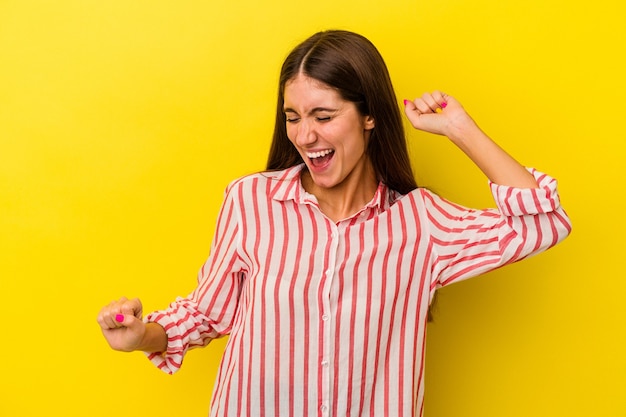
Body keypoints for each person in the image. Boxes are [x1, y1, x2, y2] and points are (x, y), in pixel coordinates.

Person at [97, 30, 572, 416]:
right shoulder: (250, 201)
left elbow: (544, 222)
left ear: (369, 117)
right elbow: (206, 315)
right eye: (293, 117)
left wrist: (459, 129)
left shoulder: (422, 223)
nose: (305, 135)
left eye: (324, 115)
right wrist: (142, 337)